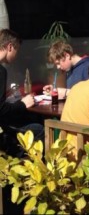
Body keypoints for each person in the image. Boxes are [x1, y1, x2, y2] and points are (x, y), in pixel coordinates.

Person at [0, 29, 44, 157]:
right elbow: (0, 108)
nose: (17, 54)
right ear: (9, 47)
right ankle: (34, 169)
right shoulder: (1, 70)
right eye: (16, 50)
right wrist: (23, 104)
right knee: (38, 129)